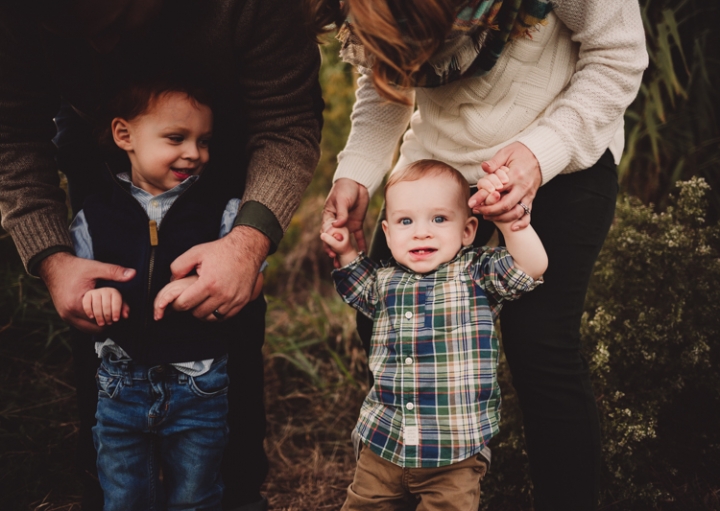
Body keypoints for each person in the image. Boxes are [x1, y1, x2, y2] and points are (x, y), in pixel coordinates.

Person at [312, 0, 648, 508]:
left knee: (539, 342)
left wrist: (541, 152)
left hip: (560, 159)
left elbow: (617, 53)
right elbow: (387, 80)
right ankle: (419, 473)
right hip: (436, 168)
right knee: (381, 317)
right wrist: (356, 171)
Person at [0, 1, 323, 510]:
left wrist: (247, 246)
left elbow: (287, 120)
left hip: (230, 167)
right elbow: (12, 132)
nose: (104, 48)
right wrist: (53, 259)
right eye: (69, 33)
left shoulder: (256, 13)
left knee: (224, 457)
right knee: (113, 467)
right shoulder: (95, 213)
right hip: (101, 160)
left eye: (110, 22)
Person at [70, 79, 263, 510]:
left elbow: (253, 280)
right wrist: (98, 297)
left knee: (196, 495)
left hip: (199, 383)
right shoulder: (94, 214)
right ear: (125, 136)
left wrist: (205, 286)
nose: (195, 152)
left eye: (204, 141)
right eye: (176, 138)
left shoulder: (222, 209)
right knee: (123, 496)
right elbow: (81, 285)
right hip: (119, 385)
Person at [321, 160, 547, 511]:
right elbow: (355, 283)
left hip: (453, 454)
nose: (421, 232)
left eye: (439, 219)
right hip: (384, 446)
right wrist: (346, 250)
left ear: (468, 230)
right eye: (405, 221)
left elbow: (530, 266)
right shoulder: (383, 281)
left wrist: (509, 225)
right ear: (388, 232)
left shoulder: (476, 273)